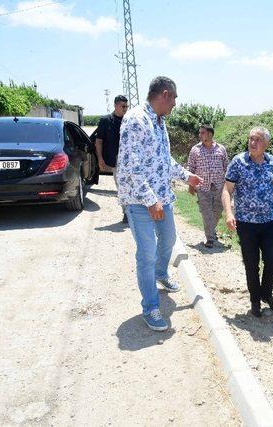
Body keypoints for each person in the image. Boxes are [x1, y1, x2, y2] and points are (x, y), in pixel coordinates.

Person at [116, 76, 203, 331]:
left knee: (168, 240)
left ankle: (161, 274)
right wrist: (150, 199)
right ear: (165, 95)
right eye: (174, 98)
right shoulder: (135, 120)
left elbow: (164, 161)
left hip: (161, 198)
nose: (175, 103)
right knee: (147, 252)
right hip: (139, 200)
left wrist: (187, 176)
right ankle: (151, 307)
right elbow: (132, 167)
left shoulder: (159, 122)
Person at [222, 127, 273, 318]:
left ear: (266, 143)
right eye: (250, 139)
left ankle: (267, 294)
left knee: (272, 261)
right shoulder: (238, 162)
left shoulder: (271, 161)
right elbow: (227, 190)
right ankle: (255, 300)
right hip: (246, 223)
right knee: (251, 264)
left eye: (257, 139)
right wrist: (229, 214)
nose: (253, 142)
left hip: (269, 222)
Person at [186, 124, 228, 248]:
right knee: (206, 212)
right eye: (200, 133)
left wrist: (229, 185)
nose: (200, 135)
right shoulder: (195, 149)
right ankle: (210, 238)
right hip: (202, 187)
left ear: (210, 134)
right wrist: (190, 185)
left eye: (202, 133)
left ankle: (211, 230)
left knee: (217, 211)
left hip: (219, 186)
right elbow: (190, 167)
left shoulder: (221, 149)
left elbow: (226, 166)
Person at [95, 95, 128, 222]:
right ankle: (126, 213)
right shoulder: (106, 120)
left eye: (126, 106)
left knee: (132, 186)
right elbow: (99, 141)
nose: (125, 109)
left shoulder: (129, 120)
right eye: (123, 106)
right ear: (115, 105)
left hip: (131, 161)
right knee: (121, 187)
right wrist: (100, 159)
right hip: (116, 161)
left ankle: (134, 212)